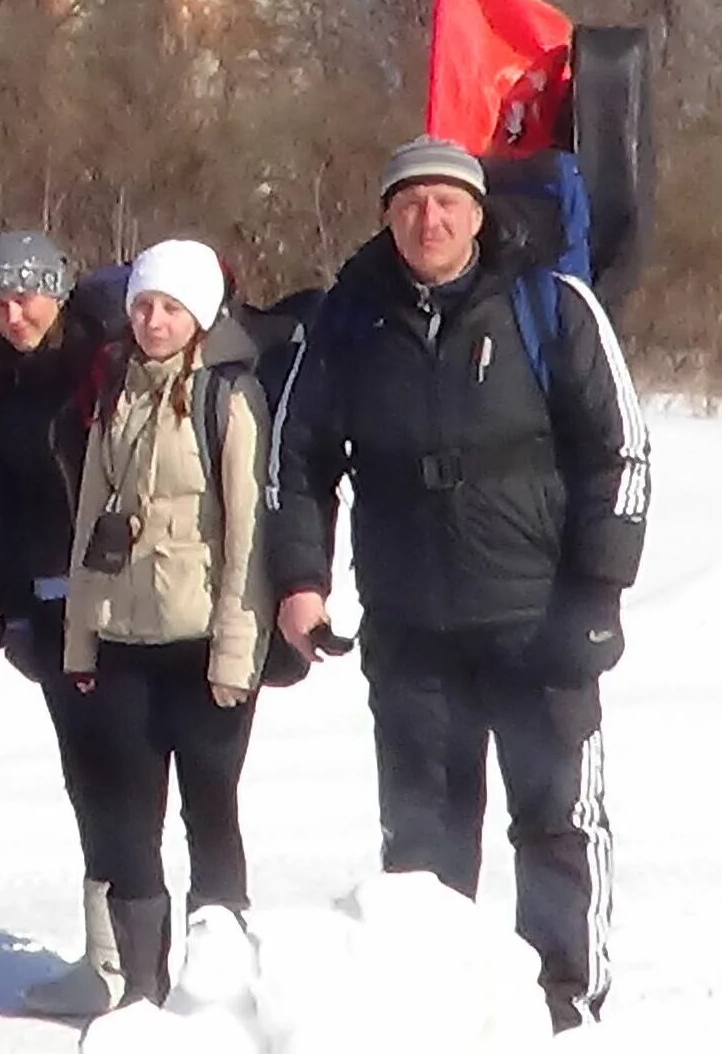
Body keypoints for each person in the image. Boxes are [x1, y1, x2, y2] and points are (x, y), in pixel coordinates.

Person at [269, 138, 648, 1033]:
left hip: (539, 620)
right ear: (386, 216)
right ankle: (438, 1012)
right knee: (422, 839)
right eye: (407, 204)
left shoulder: (548, 305)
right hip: (410, 629)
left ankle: (563, 1010)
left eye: (444, 202)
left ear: (477, 213)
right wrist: (299, 578)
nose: (426, 220)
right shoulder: (348, 321)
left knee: (554, 821)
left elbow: (619, 453)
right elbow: (297, 457)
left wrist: (597, 593)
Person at [28, 239, 268, 1013]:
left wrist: (236, 651)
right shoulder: (116, 394)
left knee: (210, 805)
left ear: (197, 314)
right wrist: (79, 640)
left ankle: (219, 982)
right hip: (123, 642)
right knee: (127, 814)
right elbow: (86, 528)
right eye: (141, 305)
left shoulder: (227, 395)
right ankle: (139, 985)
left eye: (168, 307)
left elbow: (246, 538)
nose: (152, 319)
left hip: (201, 643)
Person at [0, 230, 121, 1017]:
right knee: (86, 776)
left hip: (115, 606)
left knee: (129, 778)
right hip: (47, 605)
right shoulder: (3, 381)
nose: (12, 311)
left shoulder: (88, 369)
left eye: (27, 294)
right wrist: (7, 604)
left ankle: (151, 958)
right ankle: (107, 955)